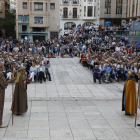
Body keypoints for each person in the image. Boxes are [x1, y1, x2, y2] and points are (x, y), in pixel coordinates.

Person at [0, 62, 15, 128]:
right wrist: (10, 80)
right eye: (3, 66)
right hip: (0, 91)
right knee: (0, 106)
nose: (4, 67)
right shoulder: (0, 73)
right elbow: (4, 83)